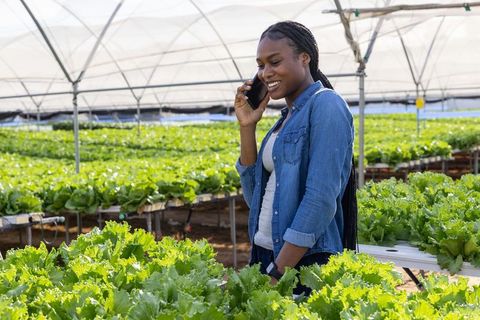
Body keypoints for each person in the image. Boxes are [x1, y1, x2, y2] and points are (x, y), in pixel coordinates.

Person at [234, 20, 357, 295]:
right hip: (267, 255)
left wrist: (279, 271)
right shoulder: (284, 120)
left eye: (274, 61)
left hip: (302, 263)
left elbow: (320, 199)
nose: (265, 73)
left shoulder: (326, 104)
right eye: (261, 65)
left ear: (305, 58)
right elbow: (254, 198)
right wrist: (247, 126)